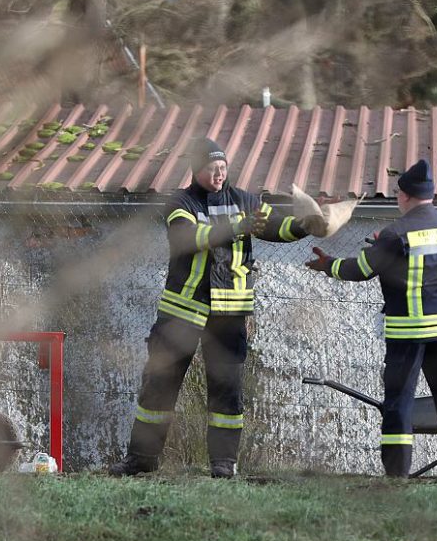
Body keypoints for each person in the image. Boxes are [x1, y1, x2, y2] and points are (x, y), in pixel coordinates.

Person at [110, 138, 324, 478]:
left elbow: (275, 227)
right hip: (182, 312)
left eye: (223, 167)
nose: (219, 173)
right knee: (159, 386)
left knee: (227, 393)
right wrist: (237, 227)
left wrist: (303, 226)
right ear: (197, 170)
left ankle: (224, 465)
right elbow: (192, 238)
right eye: (212, 168)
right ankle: (141, 461)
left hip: (229, 315)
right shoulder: (181, 202)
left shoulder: (245, 200)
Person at [305, 158, 437, 481]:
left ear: (404, 196)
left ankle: (397, 474)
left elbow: (361, 270)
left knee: (399, 402)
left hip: (408, 332)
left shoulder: (396, 233)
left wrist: (328, 265)